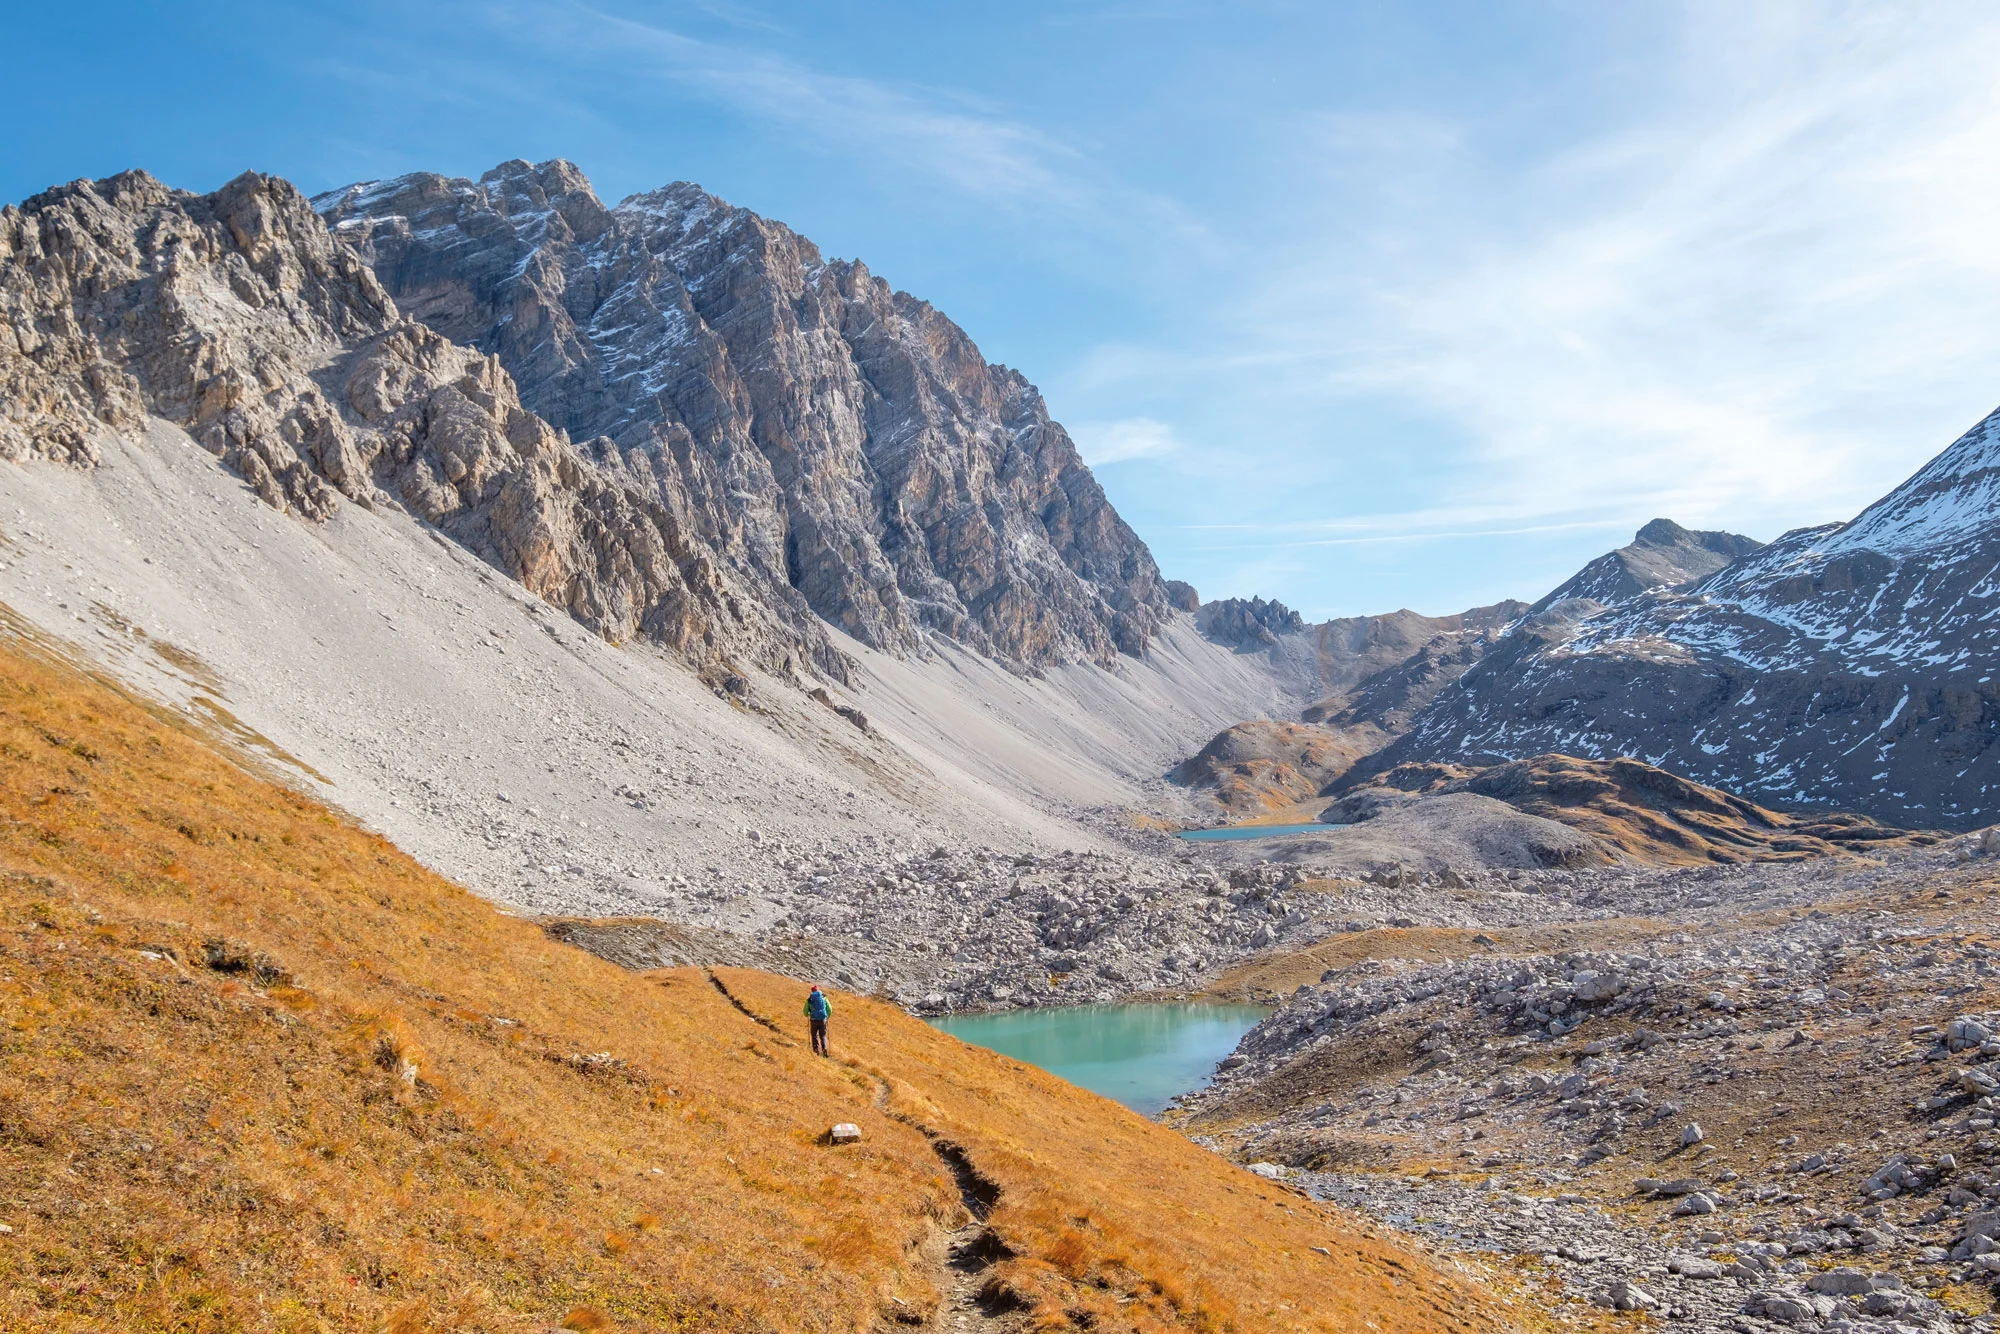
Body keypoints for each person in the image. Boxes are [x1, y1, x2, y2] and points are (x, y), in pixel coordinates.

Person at [804, 985, 831, 1057]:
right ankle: (824, 1048)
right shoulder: (824, 998)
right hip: (823, 1020)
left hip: (813, 1020)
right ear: (818, 990)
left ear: (812, 991)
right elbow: (830, 1009)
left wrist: (808, 1014)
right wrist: (826, 1016)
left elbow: (805, 1012)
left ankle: (816, 1051)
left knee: (814, 1035)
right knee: (823, 1036)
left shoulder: (810, 1000)